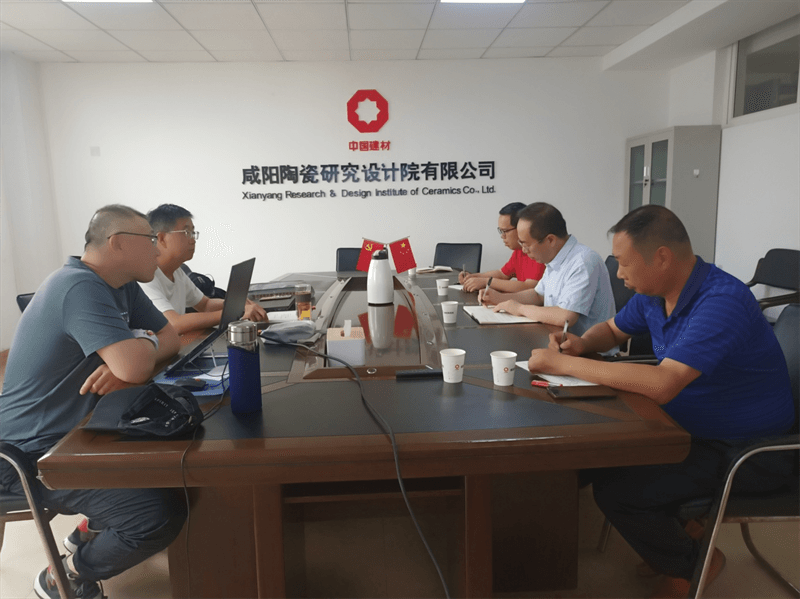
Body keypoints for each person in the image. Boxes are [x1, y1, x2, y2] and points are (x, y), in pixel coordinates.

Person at [527, 205, 795, 598]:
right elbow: (612, 330)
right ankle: (684, 533)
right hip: (686, 428)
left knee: (619, 491)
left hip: (747, 450)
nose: (619, 274)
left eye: (624, 263)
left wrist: (563, 364)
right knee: (597, 457)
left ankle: (694, 565)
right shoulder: (655, 293)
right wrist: (581, 343)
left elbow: (664, 384)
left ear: (662, 257)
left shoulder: (720, 301)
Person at [0, 205, 188, 599]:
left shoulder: (121, 284)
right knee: (156, 515)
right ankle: (63, 577)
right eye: (149, 240)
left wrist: (136, 352)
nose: (157, 249)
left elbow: (170, 337)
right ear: (116, 243)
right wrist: (137, 350)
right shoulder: (78, 286)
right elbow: (135, 364)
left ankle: (90, 529)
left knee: (174, 467)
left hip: (79, 436)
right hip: (27, 455)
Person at [480, 202, 615, 336]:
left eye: (526, 244)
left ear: (550, 240)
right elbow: (538, 295)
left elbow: (566, 316)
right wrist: (500, 298)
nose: (524, 250)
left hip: (586, 347)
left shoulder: (583, 262)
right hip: (558, 338)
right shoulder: (555, 258)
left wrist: (520, 308)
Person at [140, 204, 266, 335]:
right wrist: (236, 313)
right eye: (187, 232)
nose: (193, 240)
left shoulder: (177, 272)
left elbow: (206, 305)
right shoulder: (145, 277)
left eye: (193, 233)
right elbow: (174, 323)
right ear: (161, 238)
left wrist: (235, 305)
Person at [458, 202, 545, 293]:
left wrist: (487, 282)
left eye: (505, 231)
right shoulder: (518, 251)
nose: (502, 236)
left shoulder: (537, 251)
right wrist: (473, 277)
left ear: (521, 227)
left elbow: (530, 287)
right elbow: (502, 274)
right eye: (501, 231)